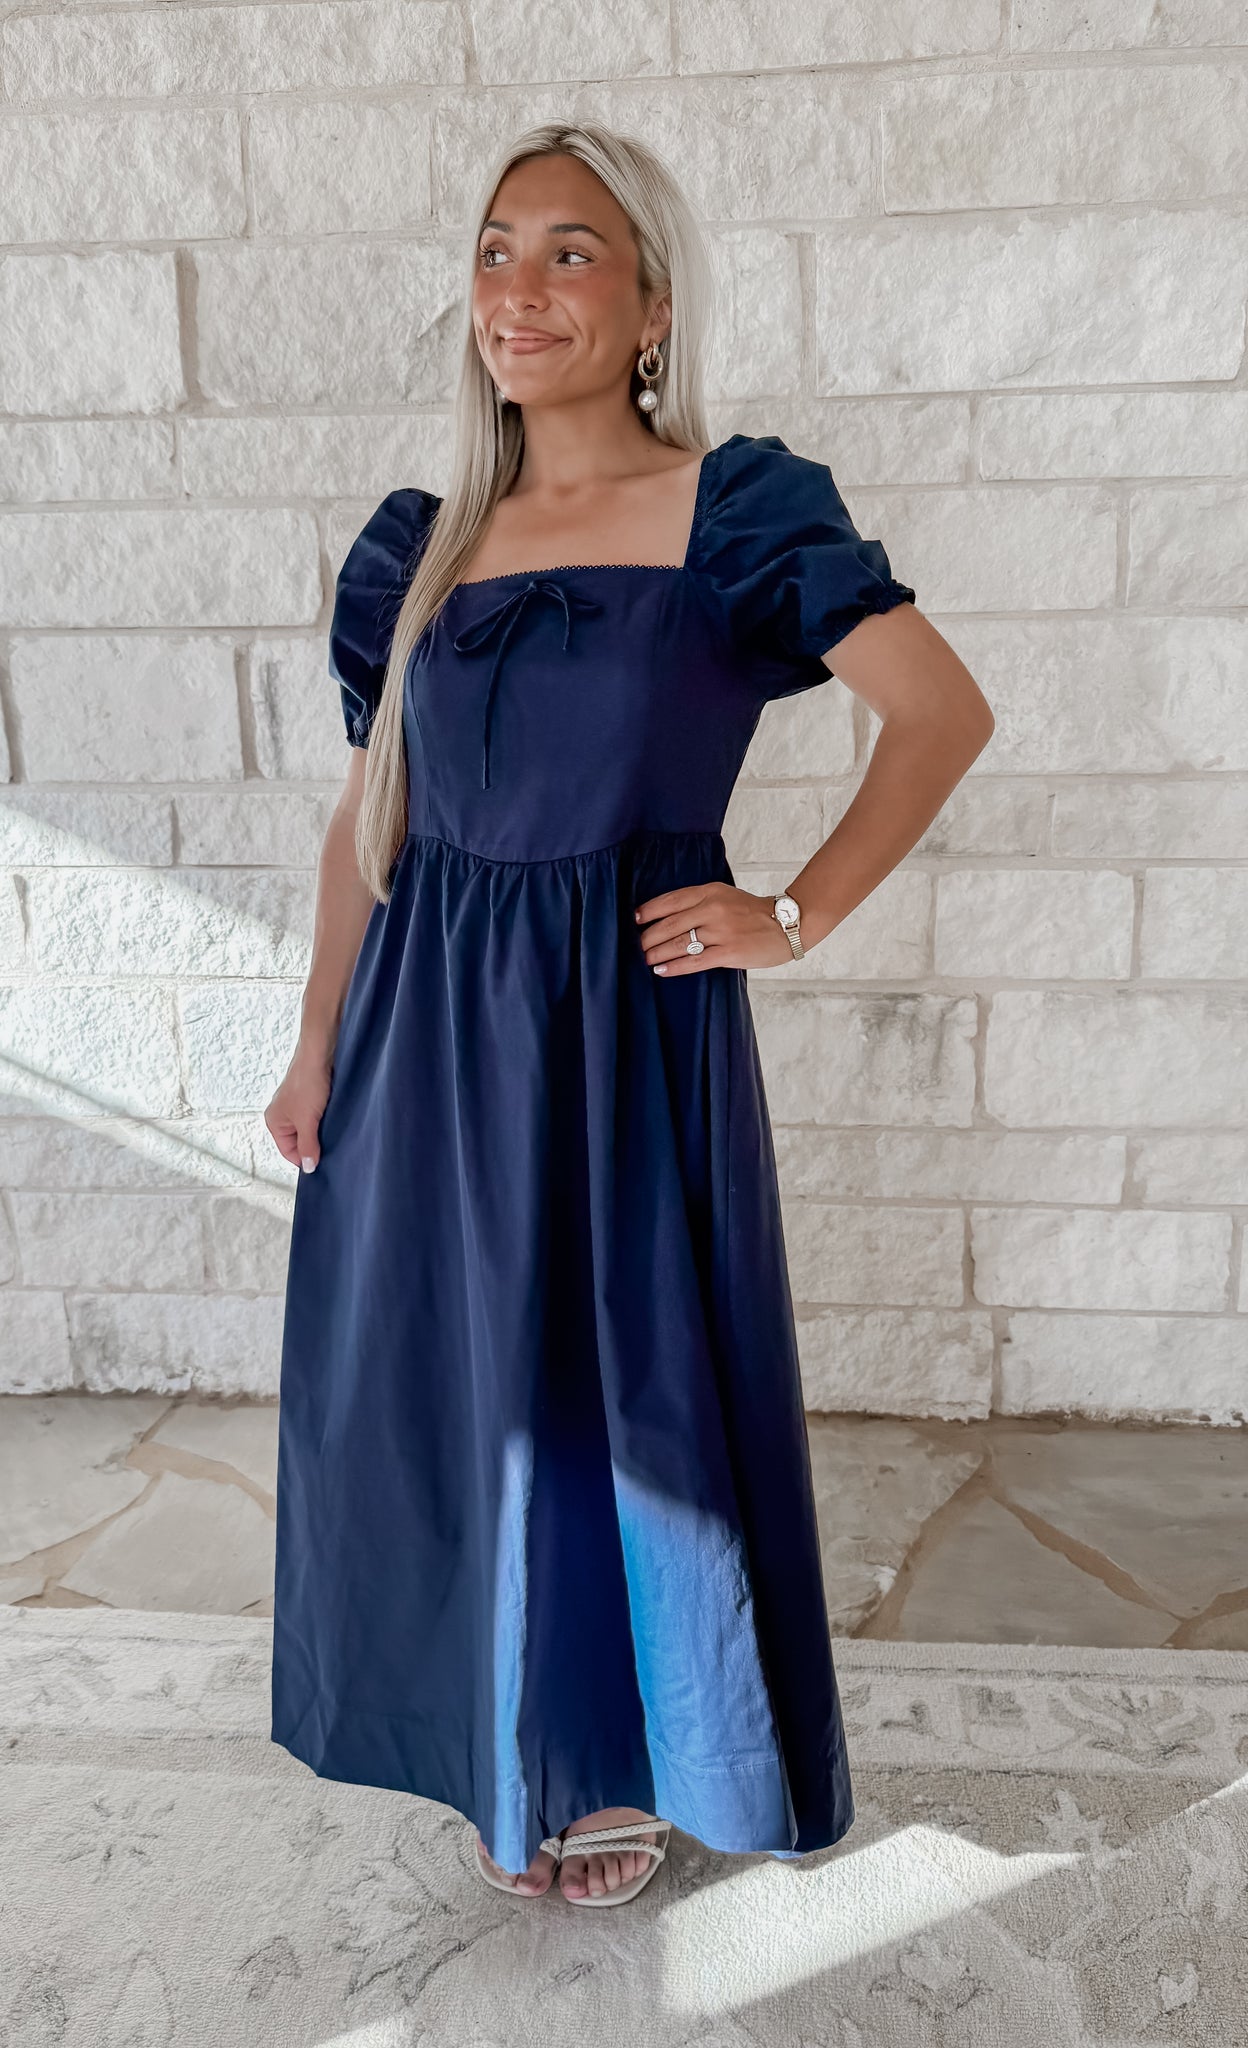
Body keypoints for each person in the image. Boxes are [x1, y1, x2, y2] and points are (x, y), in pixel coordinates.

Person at [266, 120, 995, 1910]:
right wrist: (314, 1037)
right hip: (429, 1022)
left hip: (622, 1027)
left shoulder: (737, 510)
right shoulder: (424, 543)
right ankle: (499, 1749)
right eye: (496, 249)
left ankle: (616, 1753)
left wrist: (791, 915)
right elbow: (373, 816)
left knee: (625, 1395)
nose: (519, 289)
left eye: (571, 252)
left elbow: (939, 713)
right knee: (454, 1393)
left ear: (654, 304)